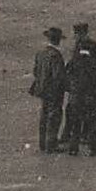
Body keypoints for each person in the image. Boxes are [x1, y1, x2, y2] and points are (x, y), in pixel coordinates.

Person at [64, 23, 96, 157]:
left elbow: (70, 68)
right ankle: (93, 148)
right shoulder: (94, 47)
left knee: (75, 120)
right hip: (92, 92)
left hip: (79, 92)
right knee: (91, 120)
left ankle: (73, 148)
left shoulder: (79, 51)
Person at [29, 26, 68, 154]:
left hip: (42, 89)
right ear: (58, 41)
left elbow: (36, 71)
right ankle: (51, 144)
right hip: (54, 91)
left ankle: (42, 143)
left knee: (44, 115)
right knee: (54, 116)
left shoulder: (41, 53)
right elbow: (59, 76)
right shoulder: (56, 56)